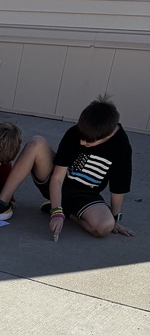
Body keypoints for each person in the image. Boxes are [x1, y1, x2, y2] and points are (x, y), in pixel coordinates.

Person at [44, 95, 133, 241]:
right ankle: (4, 203)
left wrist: (115, 218)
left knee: (105, 227)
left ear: (108, 135)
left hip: (85, 195)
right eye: (82, 136)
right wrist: (56, 212)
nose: (82, 142)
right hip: (56, 185)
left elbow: (118, 188)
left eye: (89, 140)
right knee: (35, 143)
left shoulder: (121, 144)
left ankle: (70, 213)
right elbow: (57, 177)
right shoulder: (78, 130)